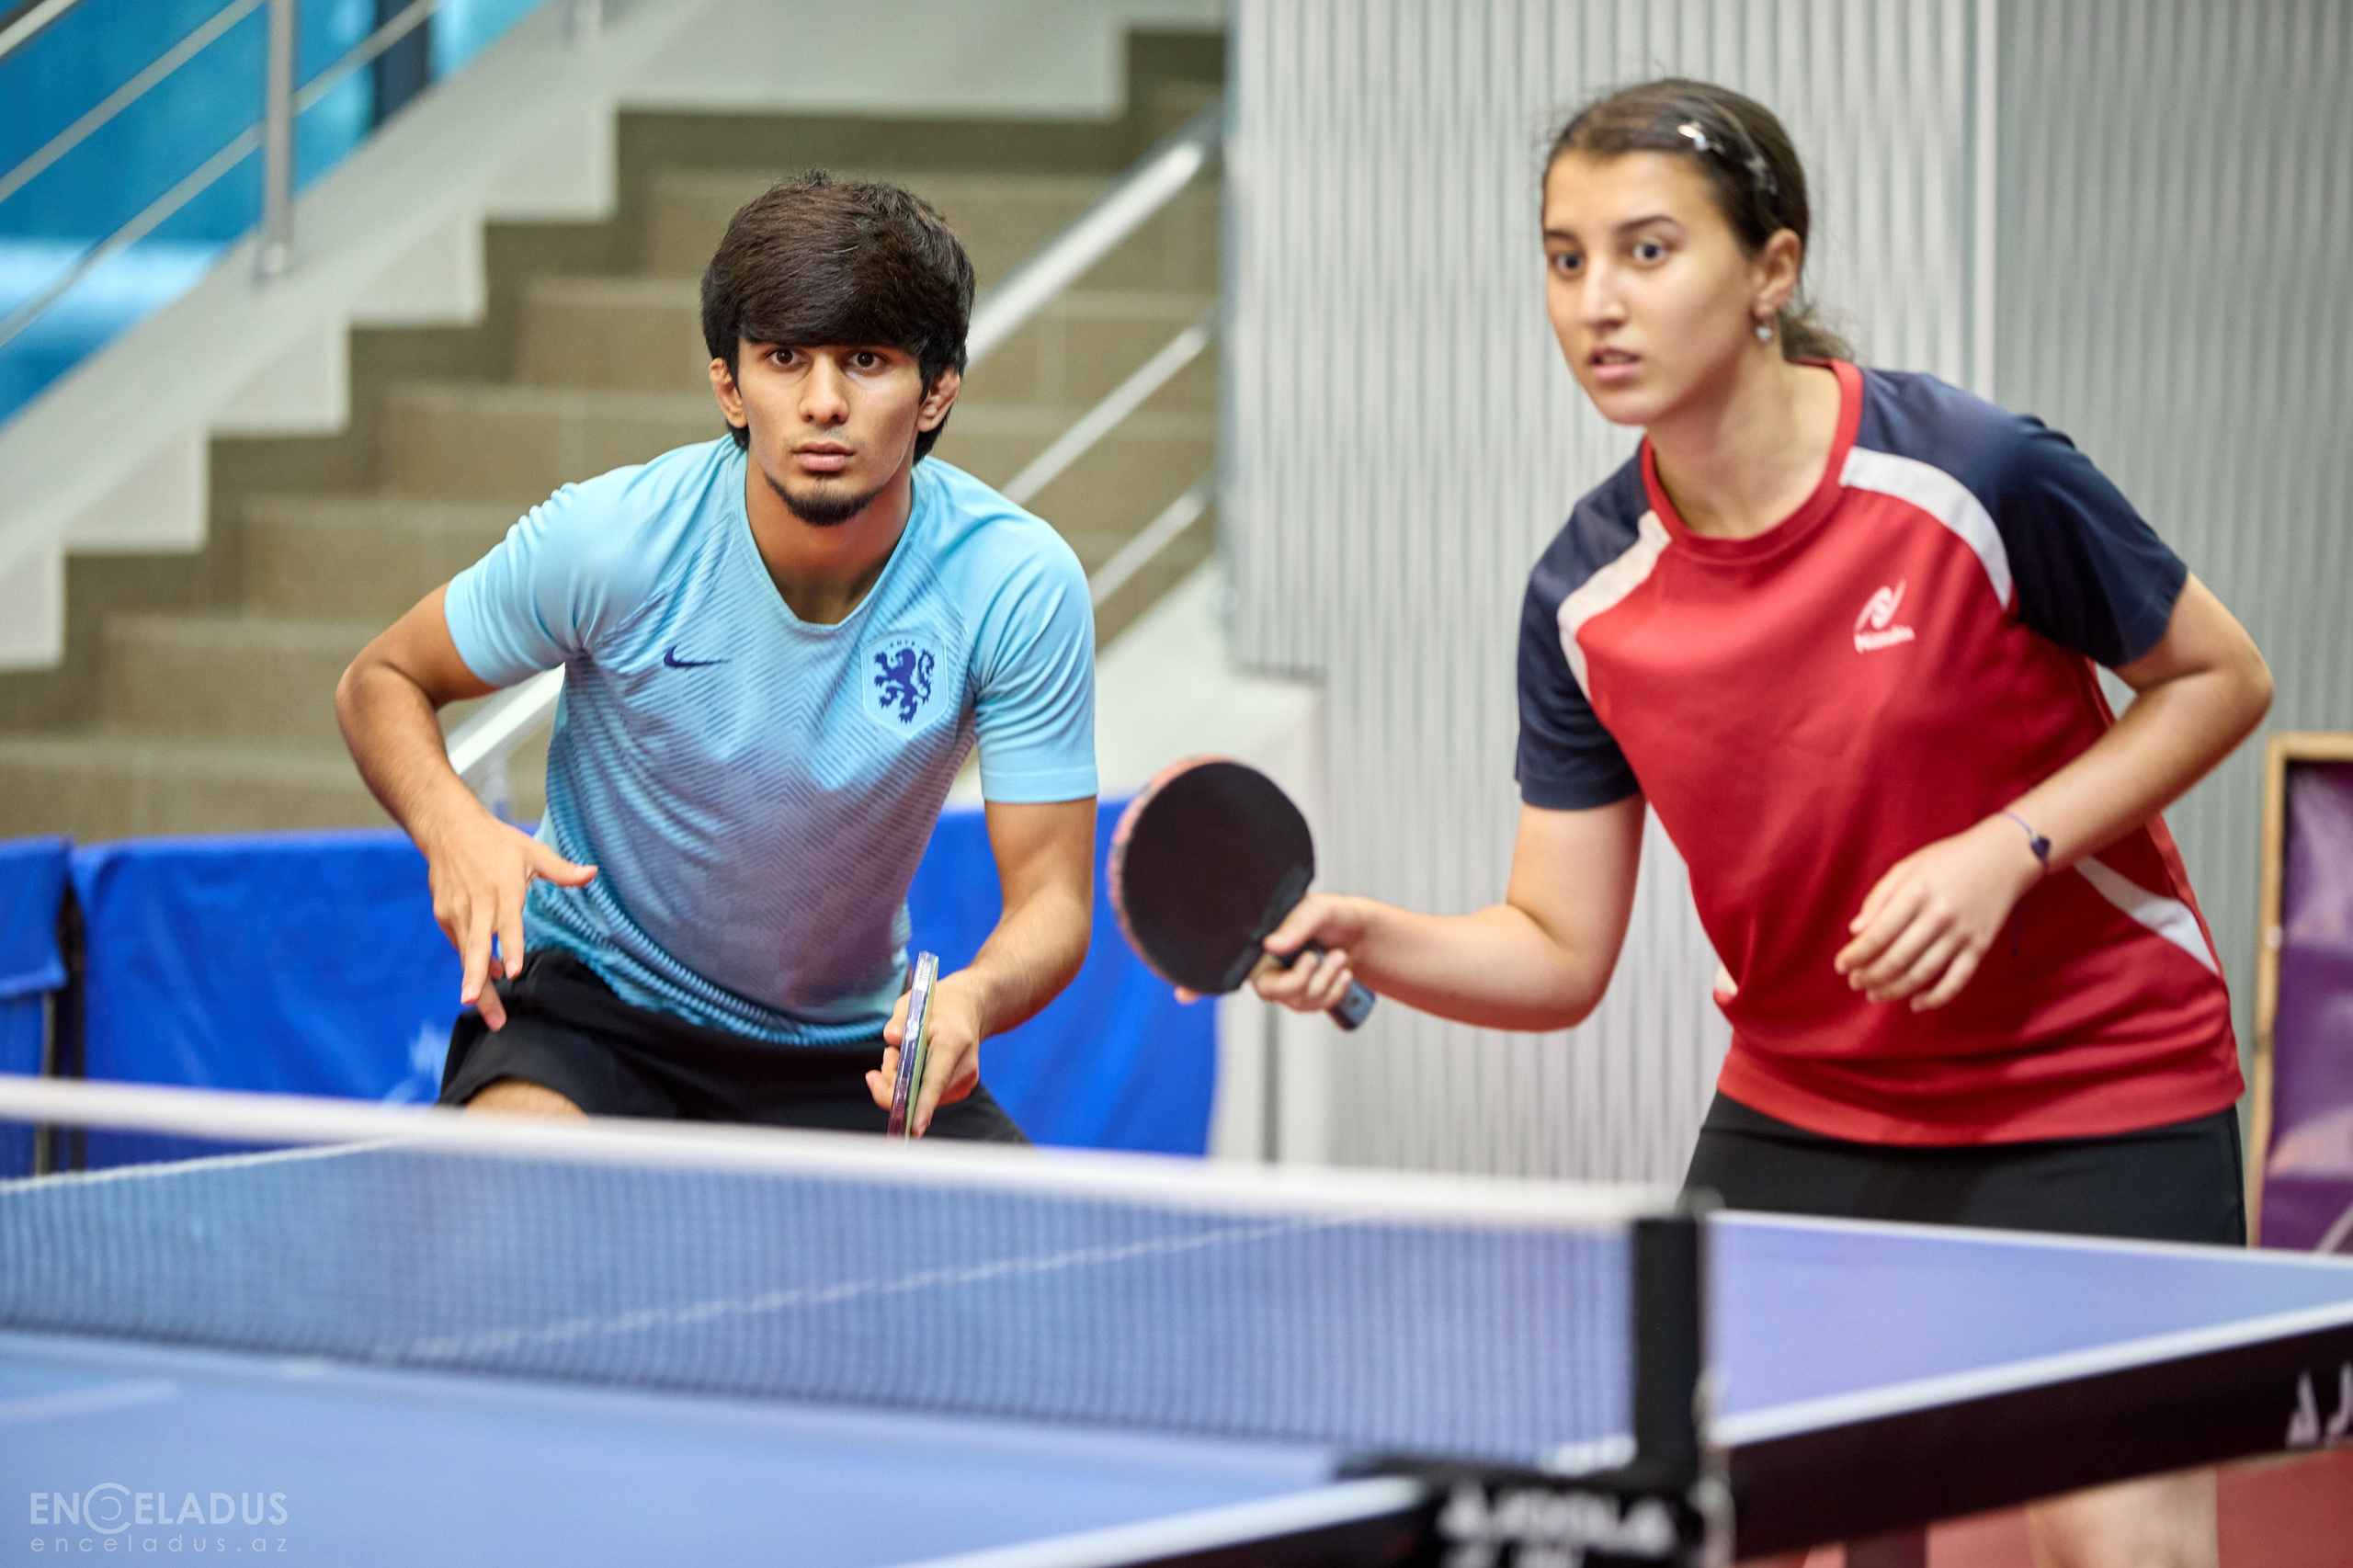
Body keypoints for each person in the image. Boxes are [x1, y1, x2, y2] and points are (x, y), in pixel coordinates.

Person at [1247, 80, 2271, 1568]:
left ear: (1771, 270)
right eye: (1565, 257)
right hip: (1811, 1101)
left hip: (2093, 1082)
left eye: (1648, 251)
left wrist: (2010, 849)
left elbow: (2220, 679)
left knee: (2116, 1545)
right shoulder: (1585, 595)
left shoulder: (1971, 473)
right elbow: (1557, 949)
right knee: (1701, 1523)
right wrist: (1373, 934)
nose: (1597, 302)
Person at [336, 173, 1098, 1141]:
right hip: (598, 1010)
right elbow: (381, 680)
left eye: (866, 360)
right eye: (784, 358)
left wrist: (974, 998)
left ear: (936, 389)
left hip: (848, 1046)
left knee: (1032, 1241)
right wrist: (452, 824)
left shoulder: (1015, 582)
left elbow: (1054, 901)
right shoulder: (615, 539)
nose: (823, 403)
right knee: (512, 1186)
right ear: (730, 387)